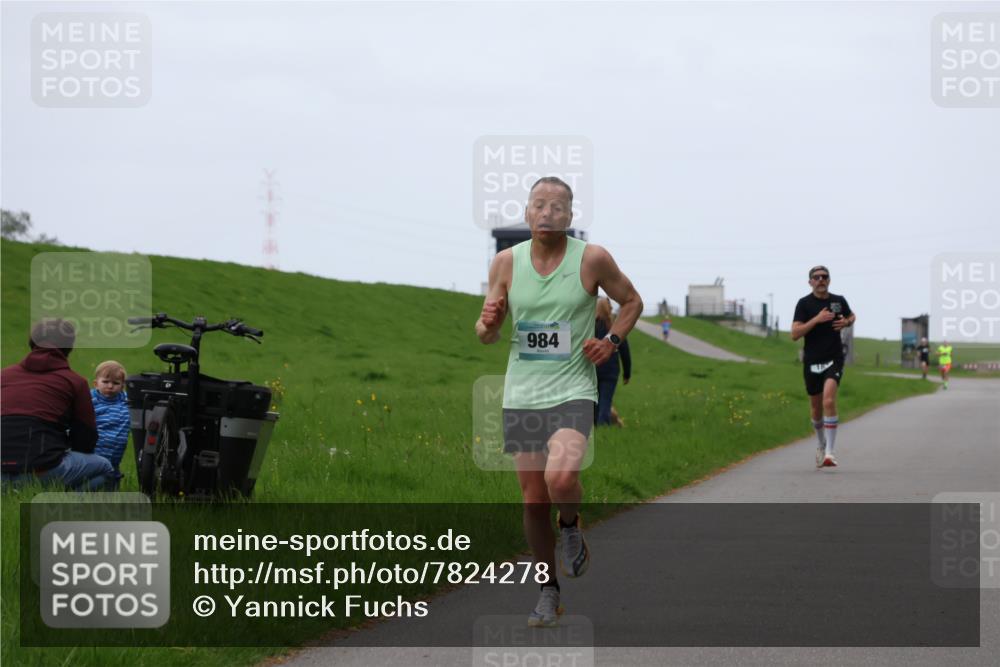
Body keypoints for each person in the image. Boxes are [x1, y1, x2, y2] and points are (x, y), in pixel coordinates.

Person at [476, 176, 642, 627]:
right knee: (533, 502)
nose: (547, 212)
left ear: (570, 217)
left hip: (573, 388)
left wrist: (610, 341)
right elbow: (487, 334)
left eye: (557, 206)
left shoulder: (591, 259)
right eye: (539, 204)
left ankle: (570, 526)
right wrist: (489, 322)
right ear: (527, 213)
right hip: (523, 392)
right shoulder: (506, 263)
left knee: (561, 478)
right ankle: (548, 590)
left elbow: (631, 302)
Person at [1, 319, 113, 491]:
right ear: (68, 346)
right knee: (105, 468)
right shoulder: (75, 382)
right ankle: (62, 506)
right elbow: (85, 440)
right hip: (41, 470)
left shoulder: (3, 376)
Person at [791, 266, 856, 469]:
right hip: (812, 360)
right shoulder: (804, 304)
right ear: (810, 282)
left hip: (834, 358)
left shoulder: (838, 300)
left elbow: (852, 316)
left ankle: (830, 453)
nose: (821, 280)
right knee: (816, 407)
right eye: (816, 277)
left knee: (829, 400)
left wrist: (846, 322)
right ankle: (821, 443)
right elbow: (794, 334)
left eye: (824, 277)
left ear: (829, 280)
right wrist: (817, 319)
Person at [92, 360, 131, 490]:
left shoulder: (126, 401)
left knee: (113, 478)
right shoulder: (90, 400)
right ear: (96, 384)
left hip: (116, 453)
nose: (110, 386)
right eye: (105, 382)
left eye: (115, 383)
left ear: (122, 386)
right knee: (96, 478)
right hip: (95, 451)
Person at [594, 297, 631, 426]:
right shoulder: (615, 329)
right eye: (610, 307)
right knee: (606, 400)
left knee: (596, 400)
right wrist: (627, 373)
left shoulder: (590, 328)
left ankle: (596, 425)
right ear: (608, 310)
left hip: (594, 370)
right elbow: (625, 351)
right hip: (610, 371)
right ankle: (603, 425)